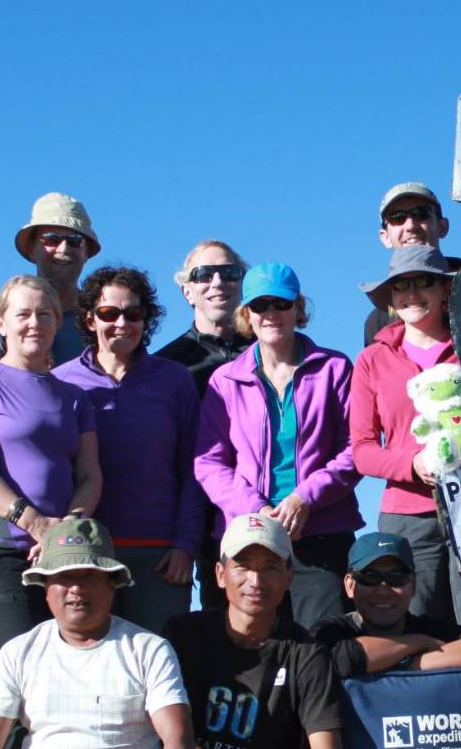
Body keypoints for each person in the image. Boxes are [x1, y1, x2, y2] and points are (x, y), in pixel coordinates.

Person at [350, 245, 461, 635]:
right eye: (401, 286)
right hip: (407, 516)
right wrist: (411, 465)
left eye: (423, 282)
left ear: (444, 289)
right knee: (411, 632)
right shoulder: (372, 361)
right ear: (391, 298)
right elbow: (362, 450)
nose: (411, 293)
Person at [193, 262, 363, 627]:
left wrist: (304, 499)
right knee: (255, 648)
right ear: (246, 315)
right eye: (260, 306)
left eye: (281, 304)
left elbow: (356, 448)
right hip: (247, 539)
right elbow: (209, 462)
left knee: (323, 648)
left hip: (321, 536)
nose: (271, 314)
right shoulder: (225, 380)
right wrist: (255, 511)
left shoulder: (333, 369)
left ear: (298, 309)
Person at [0, 275, 103, 655]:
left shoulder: (74, 396)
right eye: (23, 314)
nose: (34, 323)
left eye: (45, 314)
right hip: (0, 550)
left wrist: (68, 525)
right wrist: (34, 523)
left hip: (62, 555)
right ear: (0, 323)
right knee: (20, 672)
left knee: (64, 673)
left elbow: (89, 474)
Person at [54, 265, 204, 631]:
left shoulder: (174, 380)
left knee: (159, 668)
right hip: (85, 553)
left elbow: (194, 467)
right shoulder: (61, 381)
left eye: (133, 313)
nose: (121, 323)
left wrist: (185, 545)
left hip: (159, 557)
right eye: (109, 313)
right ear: (89, 319)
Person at [0, 519, 193, 749]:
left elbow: (178, 739)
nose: (76, 588)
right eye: (64, 576)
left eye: (88, 576)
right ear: (45, 587)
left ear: (112, 584)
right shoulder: (16, 654)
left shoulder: (149, 650)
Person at [163, 514, 341, 749]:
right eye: (243, 566)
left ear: (289, 577)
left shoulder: (307, 654)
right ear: (219, 574)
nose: (256, 581)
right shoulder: (181, 636)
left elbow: (325, 743)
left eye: (269, 568)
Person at [154, 240, 252, 612]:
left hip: (269, 501)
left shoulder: (271, 349)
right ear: (187, 290)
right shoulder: (168, 364)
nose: (217, 282)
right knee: (220, 617)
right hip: (202, 511)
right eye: (203, 275)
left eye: (228, 273)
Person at [311, 532, 461, 679]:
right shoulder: (333, 631)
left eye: (397, 578)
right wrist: (417, 643)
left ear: (413, 585)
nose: (384, 589)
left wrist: (411, 663)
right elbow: (341, 658)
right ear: (350, 585)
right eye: (371, 577)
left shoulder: (430, 629)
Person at [360, 182, 460, 346]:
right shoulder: (377, 323)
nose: (410, 226)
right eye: (397, 217)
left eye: (421, 214)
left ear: (443, 227)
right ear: (384, 237)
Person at [15, 192, 102, 364]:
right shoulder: (8, 318)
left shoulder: (104, 320)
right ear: (32, 249)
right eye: (52, 240)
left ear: (86, 253)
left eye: (75, 241)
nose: (64, 249)